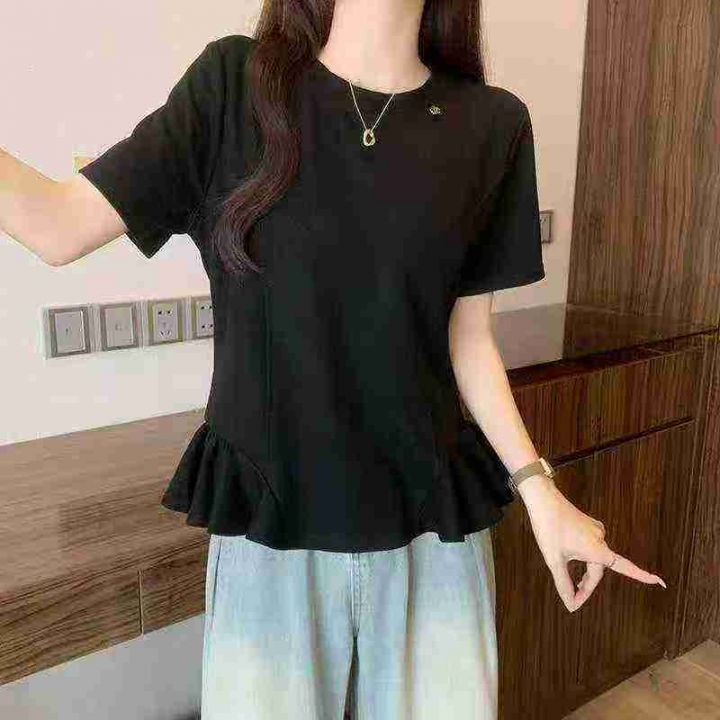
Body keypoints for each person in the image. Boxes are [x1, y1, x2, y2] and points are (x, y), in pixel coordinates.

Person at [2, 1, 667, 718]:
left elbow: (469, 338)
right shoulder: (234, 87)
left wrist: (539, 489)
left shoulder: (491, 124)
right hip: (271, 530)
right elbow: (56, 224)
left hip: (434, 536)